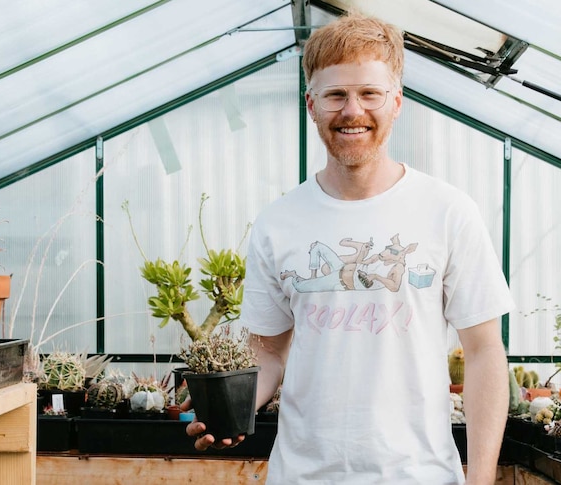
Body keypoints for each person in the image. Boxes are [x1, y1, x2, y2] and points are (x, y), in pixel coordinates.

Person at [186, 11, 514, 484]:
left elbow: (484, 351)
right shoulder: (278, 223)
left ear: (397, 102)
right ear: (311, 104)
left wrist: (481, 479)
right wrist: (228, 409)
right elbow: (268, 352)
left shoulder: (447, 211)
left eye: (370, 94)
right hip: (302, 475)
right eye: (336, 94)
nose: (353, 111)